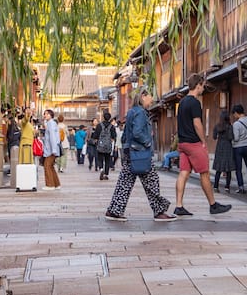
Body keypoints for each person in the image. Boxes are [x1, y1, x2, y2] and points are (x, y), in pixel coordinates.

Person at [105, 88, 176, 222]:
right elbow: (137, 132)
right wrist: (148, 141)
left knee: (124, 183)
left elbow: (126, 135)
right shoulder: (141, 113)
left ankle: (114, 211)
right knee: (152, 181)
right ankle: (159, 211)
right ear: (143, 96)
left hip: (130, 152)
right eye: (150, 97)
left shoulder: (131, 112)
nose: (152, 100)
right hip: (140, 153)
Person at [173, 73, 232, 216]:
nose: (203, 89)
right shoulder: (194, 102)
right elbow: (197, 123)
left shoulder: (181, 103)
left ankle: (179, 205)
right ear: (198, 85)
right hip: (193, 143)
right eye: (202, 86)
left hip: (183, 143)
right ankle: (213, 205)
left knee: (183, 173)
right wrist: (203, 141)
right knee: (204, 173)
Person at [231, 104, 247, 192]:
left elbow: (236, 138)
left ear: (237, 113)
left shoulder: (236, 124)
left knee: (238, 168)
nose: (234, 116)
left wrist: (232, 142)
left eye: (234, 114)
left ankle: (241, 186)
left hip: (237, 147)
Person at [211, 110, 235, 193]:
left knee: (219, 168)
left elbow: (214, 137)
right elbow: (231, 137)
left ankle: (215, 186)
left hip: (219, 146)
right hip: (228, 146)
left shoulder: (217, 126)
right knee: (228, 168)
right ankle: (227, 187)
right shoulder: (230, 126)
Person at [41, 109, 62, 190]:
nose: (45, 115)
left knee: (47, 166)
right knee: (51, 166)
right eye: (44, 114)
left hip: (51, 150)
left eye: (46, 114)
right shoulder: (52, 123)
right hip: (52, 149)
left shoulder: (51, 124)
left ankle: (50, 185)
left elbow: (52, 137)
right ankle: (56, 184)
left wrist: (53, 149)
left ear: (50, 115)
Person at [94, 111, 116, 180]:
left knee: (99, 158)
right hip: (108, 145)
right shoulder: (112, 127)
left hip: (100, 145)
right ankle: (106, 174)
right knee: (107, 160)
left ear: (103, 117)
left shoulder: (99, 125)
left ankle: (101, 169)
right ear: (110, 118)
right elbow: (114, 136)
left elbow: (95, 136)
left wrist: (96, 140)